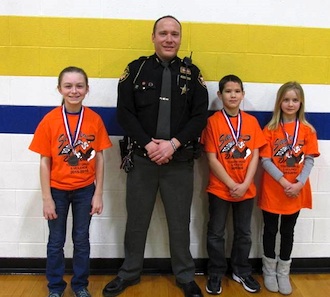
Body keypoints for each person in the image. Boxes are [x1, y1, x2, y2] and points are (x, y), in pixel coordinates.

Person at [102, 15, 208, 297]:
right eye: (163, 33)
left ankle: (185, 277)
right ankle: (129, 273)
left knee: (179, 222)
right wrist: (149, 144)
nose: (169, 39)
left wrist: (172, 144)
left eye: (174, 34)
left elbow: (199, 117)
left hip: (179, 161)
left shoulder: (192, 73)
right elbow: (124, 113)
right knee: (136, 220)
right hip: (142, 160)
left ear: (180, 38)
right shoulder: (135, 70)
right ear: (153, 37)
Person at [29, 66, 112, 297]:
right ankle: (55, 288)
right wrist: (47, 198)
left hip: (86, 190)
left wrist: (98, 193)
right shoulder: (50, 120)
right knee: (56, 242)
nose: (74, 91)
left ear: (87, 89)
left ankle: (80, 285)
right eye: (68, 86)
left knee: (81, 240)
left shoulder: (94, 120)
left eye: (79, 86)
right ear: (59, 89)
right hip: (57, 191)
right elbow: (45, 161)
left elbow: (101, 158)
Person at [201, 74, 266, 295]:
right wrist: (231, 184)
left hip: (246, 189)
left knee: (243, 233)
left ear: (243, 95)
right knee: (216, 233)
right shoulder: (212, 123)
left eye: (237, 91)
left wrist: (245, 183)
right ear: (220, 95)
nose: (233, 95)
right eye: (228, 91)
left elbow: (255, 154)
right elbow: (211, 158)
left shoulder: (252, 122)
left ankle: (241, 270)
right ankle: (216, 272)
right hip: (220, 188)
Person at [258, 82, 320, 295]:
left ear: (300, 102)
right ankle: (268, 271)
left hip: (296, 190)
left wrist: (299, 184)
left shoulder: (307, 130)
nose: (290, 103)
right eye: (286, 99)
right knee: (270, 230)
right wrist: (285, 182)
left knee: (287, 231)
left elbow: (310, 160)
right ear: (279, 102)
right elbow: (265, 160)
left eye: (294, 99)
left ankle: (283, 272)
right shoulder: (271, 129)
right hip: (274, 189)